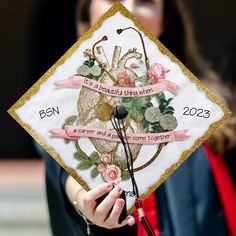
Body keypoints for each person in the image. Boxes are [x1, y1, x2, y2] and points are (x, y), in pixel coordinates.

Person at [36, 0, 236, 235]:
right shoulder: (59, 104)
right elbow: (63, 168)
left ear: (166, 19)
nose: (128, 11)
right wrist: (85, 200)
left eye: (145, 1)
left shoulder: (209, 102)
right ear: (87, 13)